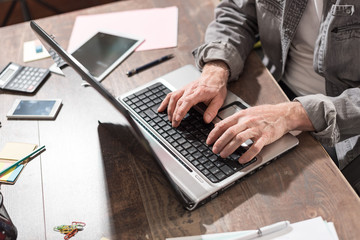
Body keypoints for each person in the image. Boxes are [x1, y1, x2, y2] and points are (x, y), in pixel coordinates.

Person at [158, 0, 360, 192]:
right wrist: (216, 68)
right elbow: (238, 11)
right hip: (275, 85)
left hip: (344, 128)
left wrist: (292, 115)